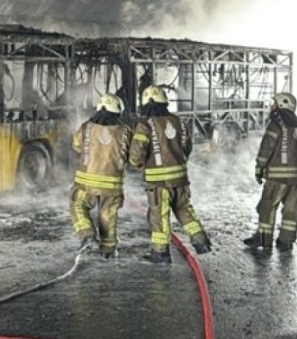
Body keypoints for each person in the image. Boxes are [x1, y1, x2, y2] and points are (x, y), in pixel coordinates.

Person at [129, 85, 212, 264]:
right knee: (184, 210)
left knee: (159, 216)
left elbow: (136, 155)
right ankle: (201, 241)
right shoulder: (179, 121)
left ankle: (160, 254)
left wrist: (139, 165)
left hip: (158, 183)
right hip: (181, 179)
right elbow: (187, 147)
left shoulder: (145, 125)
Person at [70, 93, 132, 259]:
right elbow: (131, 156)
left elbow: (76, 146)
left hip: (86, 183)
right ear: (118, 112)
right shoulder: (126, 131)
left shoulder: (86, 127)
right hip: (112, 185)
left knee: (77, 204)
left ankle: (86, 234)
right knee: (108, 215)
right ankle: (108, 251)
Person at [243, 92, 297, 252]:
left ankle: (263, 240)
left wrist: (259, 167)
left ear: (281, 106)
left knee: (267, 208)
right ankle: (286, 241)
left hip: (278, 177)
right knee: (291, 210)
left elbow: (266, 148)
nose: (272, 107)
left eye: (274, 104)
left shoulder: (276, 125)